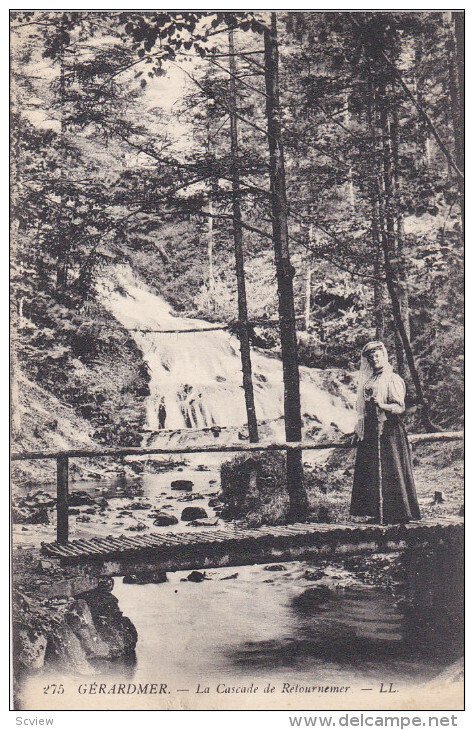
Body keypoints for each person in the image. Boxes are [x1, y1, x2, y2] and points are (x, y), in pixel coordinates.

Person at [350, 341, 421, 524]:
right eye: (371, 357)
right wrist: (360, 427)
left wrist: (381, 405)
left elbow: (399, 407)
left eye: (377, 356)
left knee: (392, 468)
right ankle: (376, 512)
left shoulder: (392, 379)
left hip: (389, 429)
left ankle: (397, 513)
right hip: (372, 431)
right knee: (372, 469)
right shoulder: (369, 380)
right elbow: (363, 410)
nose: (374, 359)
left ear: (384, 356)